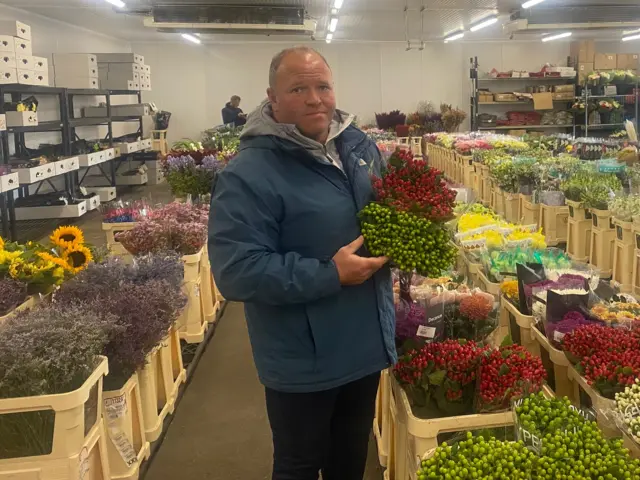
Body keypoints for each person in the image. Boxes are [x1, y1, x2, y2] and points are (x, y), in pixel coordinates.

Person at [208, 46, 396, 480]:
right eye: (299, 88)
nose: (315, 99)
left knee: (350, 459)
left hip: (364, 342)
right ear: (272, 97)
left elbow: (383, 213)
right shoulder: (248, 173)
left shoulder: (358, 145)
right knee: (299, 463)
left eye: (323, 86)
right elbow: (237, 270)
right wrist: (331, 274)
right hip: (303, 357)